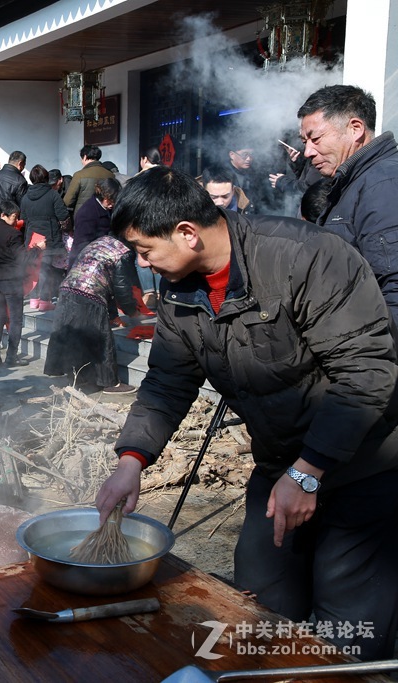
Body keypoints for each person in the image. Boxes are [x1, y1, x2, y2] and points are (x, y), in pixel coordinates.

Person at [95, 165, 398, 661]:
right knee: (257, 600)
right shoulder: (179, 288)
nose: (141, 262)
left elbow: (365, 374)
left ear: (187, 233)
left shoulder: (306, 258)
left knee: (345, 632)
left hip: (363, 463)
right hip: (281, 460)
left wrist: (308, 473)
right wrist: (132, 459)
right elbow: (169, 380)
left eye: (144, 249)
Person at [298, 84, 398, 327]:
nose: (307, 152)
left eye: (316, 138)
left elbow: (393, 286)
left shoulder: (382, 183)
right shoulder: (355, 182)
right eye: (304, 141)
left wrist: (369, 357)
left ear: (355, 129)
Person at [42, 233, 139, 393]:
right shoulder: (123, 251)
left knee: (74, 336)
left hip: (67, 288)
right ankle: (109, 383)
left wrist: (113, 314)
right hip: (90, 293)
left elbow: (110, 284)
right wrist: (131, 310)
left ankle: (77, 378)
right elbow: (121, 287)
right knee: (100, 338)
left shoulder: (100, 241)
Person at [20, 164, 71, 312]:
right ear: (46, 178)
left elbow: (23, 217)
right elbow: (63, 216)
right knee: (47, 269)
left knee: (35, 268)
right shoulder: (53, 194)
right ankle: (44, 300)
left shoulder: (26, 197)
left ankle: (34, 300)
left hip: (31, 237)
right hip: (49, 237)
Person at [0, 200, 29, 367]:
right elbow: (22, 258)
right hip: (11, 280)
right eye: (13, 217)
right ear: (3, 215)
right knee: (16, 319)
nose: (16, 220)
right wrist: (38, 248)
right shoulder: (14, 234)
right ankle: (11, 356)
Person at [68, 178, 121, 265]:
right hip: (86, 262)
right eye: (111, 200)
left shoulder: (106, 208)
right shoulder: (88, 213)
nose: (113, 203)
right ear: (104, 196)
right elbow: (82, 244)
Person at [64, 145, 114, 218]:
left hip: (83, 216)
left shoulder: (79, 175)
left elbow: (68, 201)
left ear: (84, 157)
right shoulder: (110, 175)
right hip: (104, 216)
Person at [0, 151, 28, 221]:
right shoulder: (20, 181)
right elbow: (22, 207)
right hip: (9, 224)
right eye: (24, 165)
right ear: (20, 163)